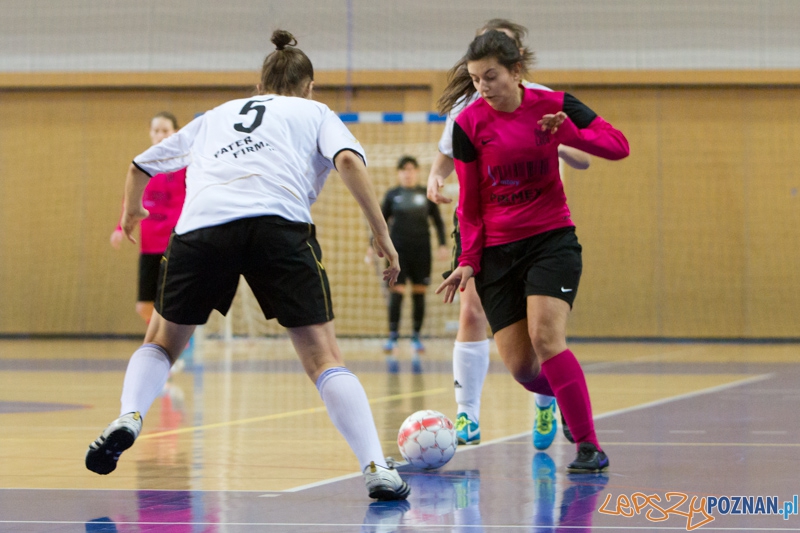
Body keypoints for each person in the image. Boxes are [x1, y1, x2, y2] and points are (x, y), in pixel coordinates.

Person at [85, 29, 410, 501]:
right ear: (308, 87)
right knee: (323, 358)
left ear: (259, 87)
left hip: (201, 228)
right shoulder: (314, 112)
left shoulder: (215, 115)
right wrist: (381, 232)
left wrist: (131, 212)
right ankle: (376, 467)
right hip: (277, 226)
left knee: (161, 340)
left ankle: (130, 414)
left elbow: (140, 166)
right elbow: (348, 161)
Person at [436, 30, 629, 472]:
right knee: (524, 370)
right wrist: (468, 260)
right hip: (498, 253)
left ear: (516, 71)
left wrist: (572, 133)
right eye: (475, 79)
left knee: (547, 338)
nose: (483, 87)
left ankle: (588, 445)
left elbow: (619, 148)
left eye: (491, 77)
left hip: (550, 240)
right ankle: (564, 394)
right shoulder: (468, 124)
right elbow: (470, 203)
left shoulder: (555, 104)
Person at [110, 112, 186, 325]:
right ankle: (162, 339)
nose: (160, 135)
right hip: (149, 244)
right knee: (144, 305)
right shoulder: (143, 165)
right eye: (156, 131)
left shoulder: (185, 166)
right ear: (150, 133)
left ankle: (175, 344)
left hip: (175, 242)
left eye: (165, 130)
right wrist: (119, 228)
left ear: (175, 132)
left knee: (173, 300)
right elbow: (129, 200)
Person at [375, 155, 447, 373]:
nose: (408, 172)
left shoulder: (425, 194)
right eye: (404, 169)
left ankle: (416, 336)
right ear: (399, 172)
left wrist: (443, 244)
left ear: (416, 171)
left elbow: (438, 222)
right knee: (396, 292)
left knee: (419, 292)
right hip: (397, 253)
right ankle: (393, 337)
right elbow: (380, 222)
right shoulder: (392, 195)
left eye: (411, 169)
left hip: (421, 251)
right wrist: (374, 245)